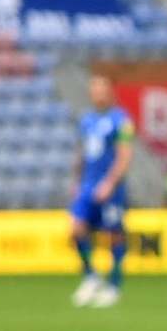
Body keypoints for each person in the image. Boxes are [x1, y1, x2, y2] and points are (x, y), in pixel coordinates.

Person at [69, 72, 134, 309]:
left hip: (110, 187)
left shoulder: (121, 120)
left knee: (114, 233)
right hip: (87, 185)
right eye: (94, 89)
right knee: (76, 230)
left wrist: (110, 182)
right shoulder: (86, 120)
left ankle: (114, 285)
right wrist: (76, 181)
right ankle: (91, 276)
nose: (98, 93)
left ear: (109, 92)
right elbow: (82, 154)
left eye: (102, 89)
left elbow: (125, 155)